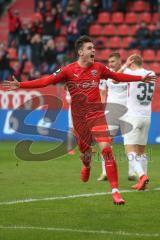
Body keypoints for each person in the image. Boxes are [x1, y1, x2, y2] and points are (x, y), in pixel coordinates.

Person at [3, 35, 156, 205]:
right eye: (90, 48)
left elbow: (117, 77)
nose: (93, 51)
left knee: (106, 149)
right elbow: (46, 81)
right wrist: (21, 85)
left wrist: (139, 78)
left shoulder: (98, 68)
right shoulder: (68, 70)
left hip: (97, 116)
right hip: (80, 121)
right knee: (86, 154)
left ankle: (116, 192)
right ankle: (87, 165)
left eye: (93, 48)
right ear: (81, 51)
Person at [98, 52, 137, 181]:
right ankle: (105, 172)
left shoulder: (129, 72)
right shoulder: (105, 74)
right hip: (111, 110)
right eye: (109, 62)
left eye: (113, 61)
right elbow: (103, 93)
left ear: (120, 61)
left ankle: (132, 172)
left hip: (127, 110)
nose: (110, 64)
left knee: (130, 141)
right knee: (107, 142)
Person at [122, 54, 156, 190]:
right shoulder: (151, 73)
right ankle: (144, 185)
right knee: (141, 151)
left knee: (129, 150)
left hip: (132, 116)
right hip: (147, 116)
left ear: (132, 64)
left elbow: (114, 78)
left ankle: (142, 176)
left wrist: (125, 64)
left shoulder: (130, 72)